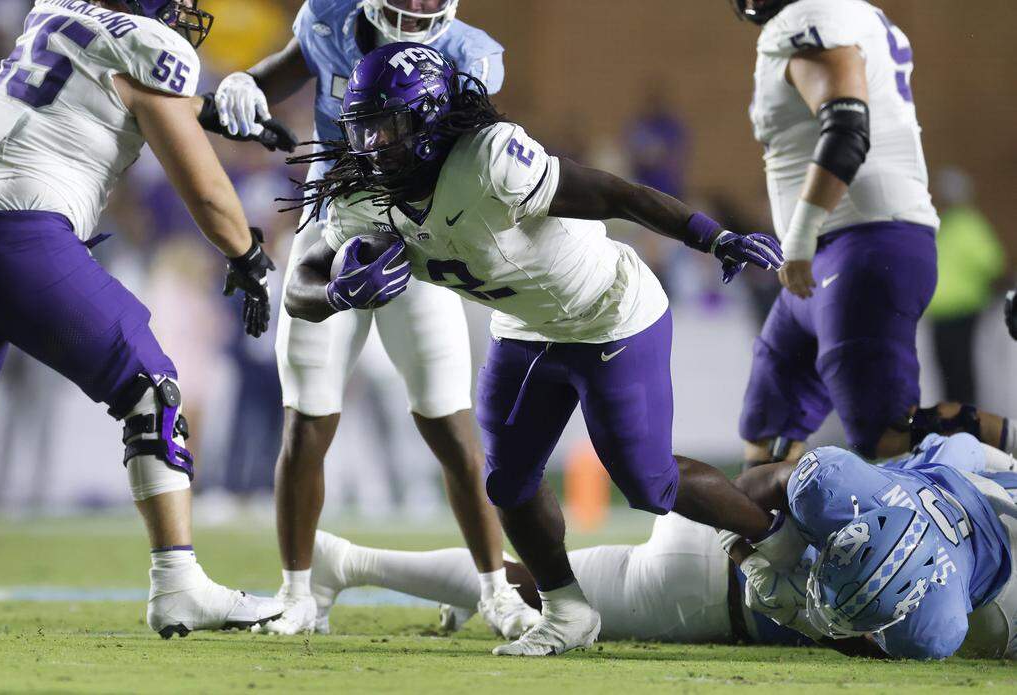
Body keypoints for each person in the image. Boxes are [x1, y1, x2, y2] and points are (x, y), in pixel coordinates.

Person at [283, 42, 786, 656]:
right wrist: (336, 291)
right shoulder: (364, 196)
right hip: (525, 328)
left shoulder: (490, 159)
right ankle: (567, 610)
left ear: (431, 117)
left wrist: (713, 236)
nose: (373, 145)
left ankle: (775, 545)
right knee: (509, 482)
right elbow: (300, 286)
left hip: (610, 313)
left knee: (649, 485)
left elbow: (614, 194)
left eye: (389, 126)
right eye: (364, 128)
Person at [0, 0, 284, 638]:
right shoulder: (152, 45)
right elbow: (203, 187)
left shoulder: (52, 14)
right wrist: (250, 255)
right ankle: (178, 586)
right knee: (152, 390)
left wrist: (205, 109)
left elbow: (98, 88)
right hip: (23, 238)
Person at [207, 0, 539, 639]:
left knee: (451, 425)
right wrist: (247, 82)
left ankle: (496, 591)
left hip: (420, 232)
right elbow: (286, 69)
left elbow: (485, 145)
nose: (416, 6)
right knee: (306, 417)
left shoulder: (470, 52)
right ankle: (298, 594)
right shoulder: (328, 20)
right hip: (332, 221)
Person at [729, 0, 1017, 467]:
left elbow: (846, 128)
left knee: (886, 435)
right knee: (768, 429)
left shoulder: (810, 20)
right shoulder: (842, 17)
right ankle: (764, 540)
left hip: (862, 243)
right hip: (833, 251)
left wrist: (799, 238)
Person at [304, 517, 845, 649]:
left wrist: (746, 535)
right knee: (522, 591)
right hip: (705, 594)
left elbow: (786, 472)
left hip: (706, 545)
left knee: (522, 579)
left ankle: (350, 563)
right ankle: (344, 562)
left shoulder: (915, 484)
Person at [724, 433, 1017, 659]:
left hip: (993, 577)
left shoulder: (937, 620)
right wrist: (757, 570)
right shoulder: (832, 488)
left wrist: (798, 618)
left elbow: (965, 446)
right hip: (952, 479)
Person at [926, 167, 1006, 404]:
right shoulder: (944, 227)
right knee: (948, 368)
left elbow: (992, 263)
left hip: (962, 312)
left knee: (958, 367)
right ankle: (953, 413)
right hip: (942, 314)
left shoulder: (969, 226)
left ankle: (965, 415)